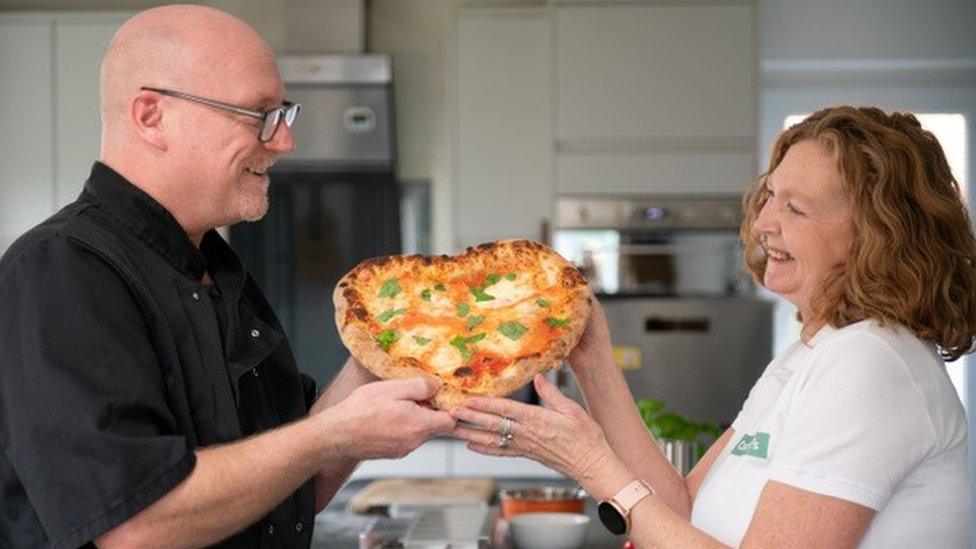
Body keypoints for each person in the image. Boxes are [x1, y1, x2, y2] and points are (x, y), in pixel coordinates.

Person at [0, 5, 454, 548]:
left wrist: (380, 356)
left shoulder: (218, 271)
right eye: (257, 115)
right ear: (151, 116)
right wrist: (335, 432)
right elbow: (135, 526)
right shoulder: (62, 271)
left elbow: (288, 489)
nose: (284, 142)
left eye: (284, 115)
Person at [452, 106, 976, 547]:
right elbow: (682, 508)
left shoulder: (872, 363)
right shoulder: (810, 356)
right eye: (770, 195)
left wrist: (592, 463)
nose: (766, 221)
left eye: (796, 208)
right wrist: (594, 361)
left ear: (878, 237)